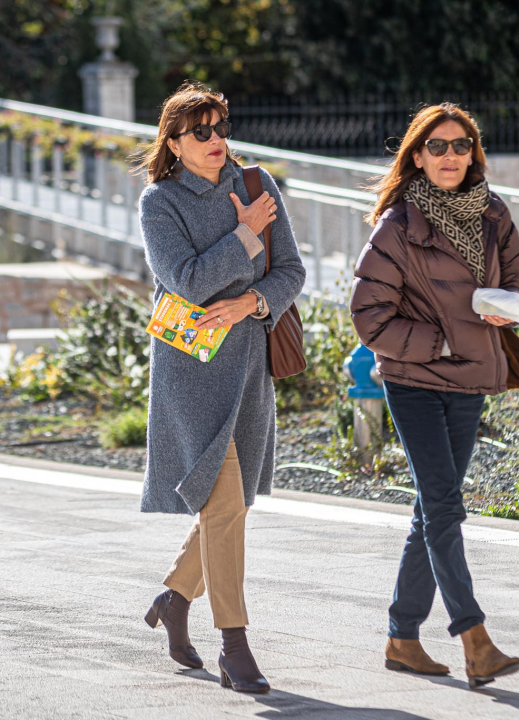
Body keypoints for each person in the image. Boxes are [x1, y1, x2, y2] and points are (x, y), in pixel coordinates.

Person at [349, 103, 519, 688]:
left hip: (474, 377)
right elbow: (369, 316)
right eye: (437, 146)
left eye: (460, 146)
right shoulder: (398, 225)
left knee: (431, 509)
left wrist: (509, 310)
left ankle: (402, 638)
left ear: (473, 153)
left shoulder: (494, 214)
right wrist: (439, 341)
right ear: (418, 156)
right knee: (446, 507)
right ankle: (475, 639)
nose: (449, 156)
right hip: (415, 381)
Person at [136, 83, 306, 694]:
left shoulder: (257, 186)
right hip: (191, 369)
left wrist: (250, 304)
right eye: (200, 133)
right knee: (224, 502)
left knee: (227, 504)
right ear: (174, 143)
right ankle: (235, 645)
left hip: (250, 362)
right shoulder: (160, 202)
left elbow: (292, 272)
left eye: (220, 128)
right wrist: (245, 237)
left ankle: (175, 598)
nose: (216, 142)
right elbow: (182, 281)